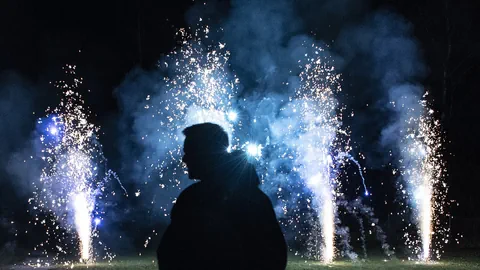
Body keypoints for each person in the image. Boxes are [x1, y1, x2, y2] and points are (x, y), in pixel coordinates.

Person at [157, 123, 287, 270]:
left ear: (205, 153)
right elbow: (275, 255)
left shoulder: (193, 198)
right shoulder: (255, 197)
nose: (184, 159)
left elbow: (171, 252)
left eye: (189, 152)